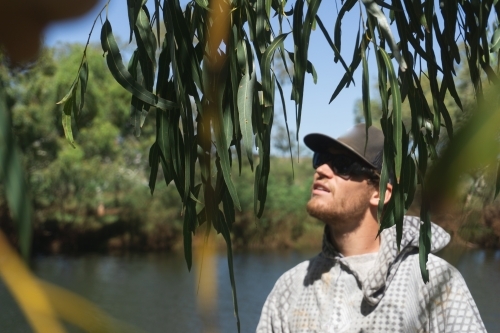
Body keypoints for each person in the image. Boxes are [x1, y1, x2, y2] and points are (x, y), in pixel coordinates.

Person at [256, 124, 486, 333]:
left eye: (343, 165)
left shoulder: (433, 281)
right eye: (320, 158)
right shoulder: (291, 286)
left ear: (380, 193)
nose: (322, 170)